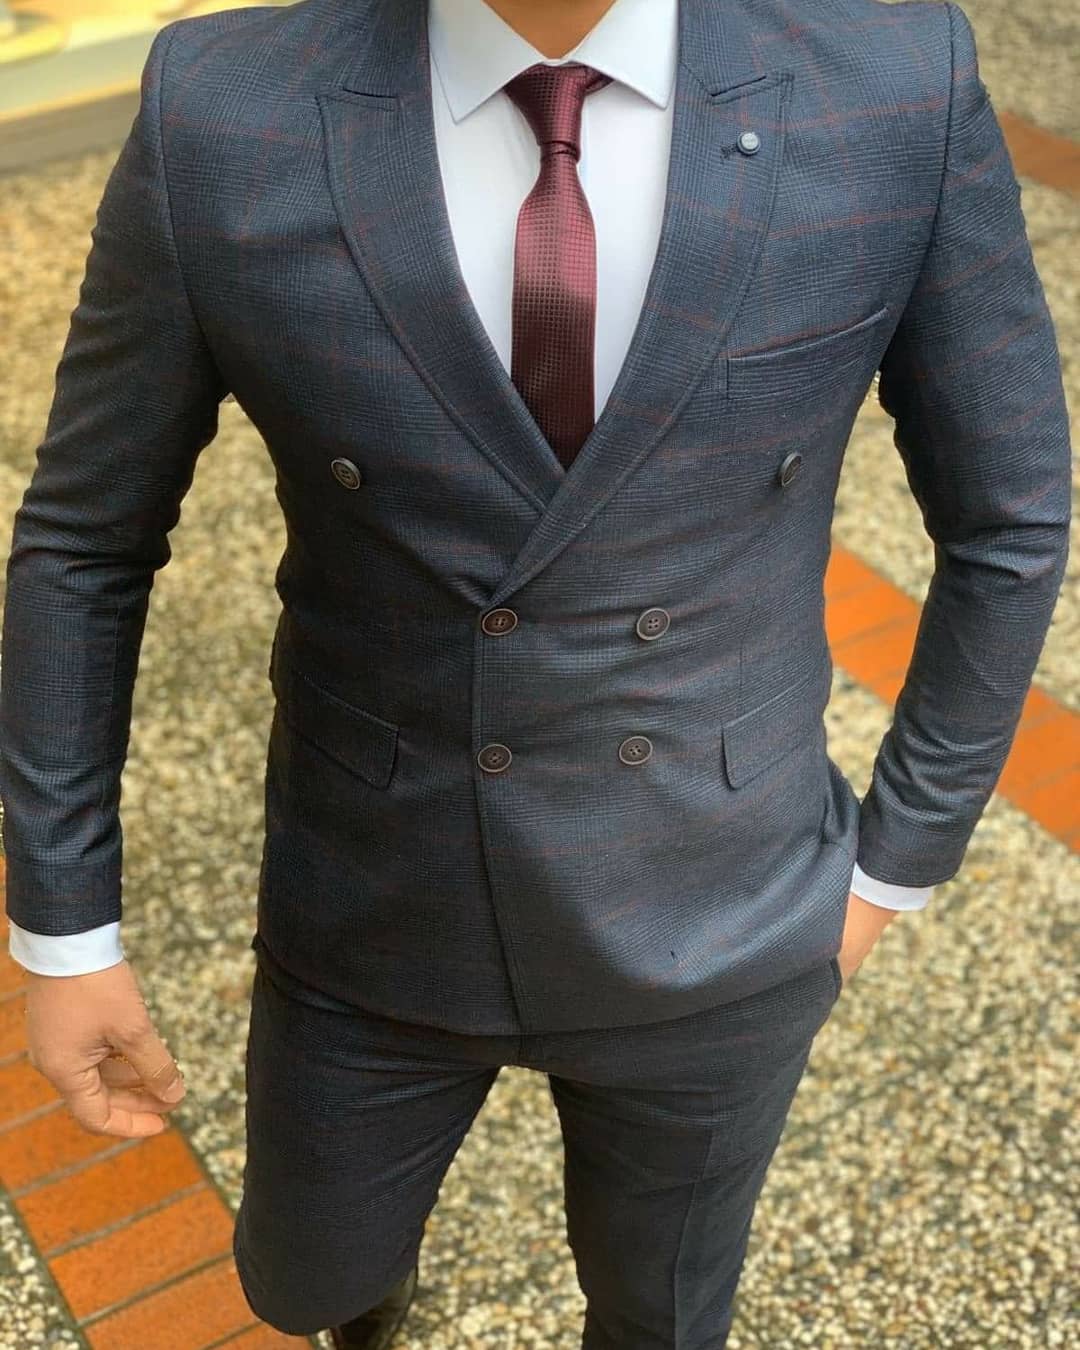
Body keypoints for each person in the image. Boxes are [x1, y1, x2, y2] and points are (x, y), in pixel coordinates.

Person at [1, 0, 1070, 1345]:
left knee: (661, 1309)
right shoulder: (222, 106)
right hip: (373, 893)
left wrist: (889, 869)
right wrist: (65, 930)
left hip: (725, 903)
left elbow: (1009, 515)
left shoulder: (891, 82)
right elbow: (86, 541)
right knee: (307, 1279)